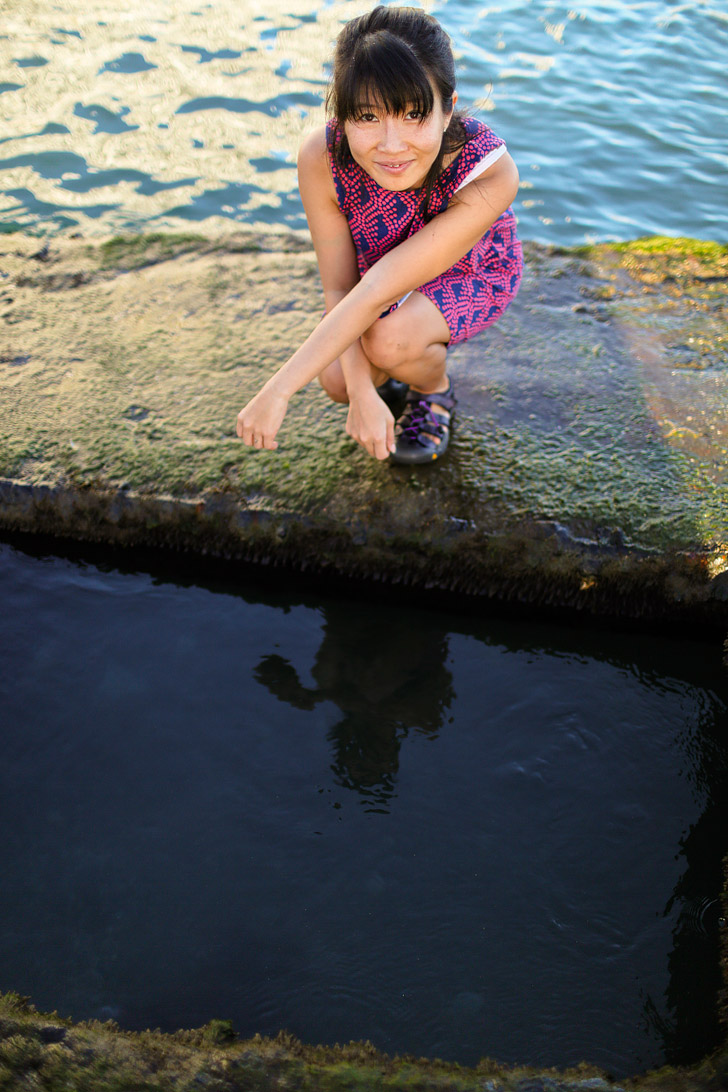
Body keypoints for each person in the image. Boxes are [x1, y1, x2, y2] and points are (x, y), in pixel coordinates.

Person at [236, 5, 522, 465]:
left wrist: (278, 390)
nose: (391, 145)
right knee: (336, 382)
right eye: (367, 117)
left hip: (469, 269)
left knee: (389, 340)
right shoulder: (322, 157)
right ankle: (391, 372)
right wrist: (360, 391)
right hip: (374, 275)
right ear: (342, 113)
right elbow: (341, 286)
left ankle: (432, 390)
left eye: (413, 114)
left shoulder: (489, 173)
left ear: (447, 109)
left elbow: (377, 289)